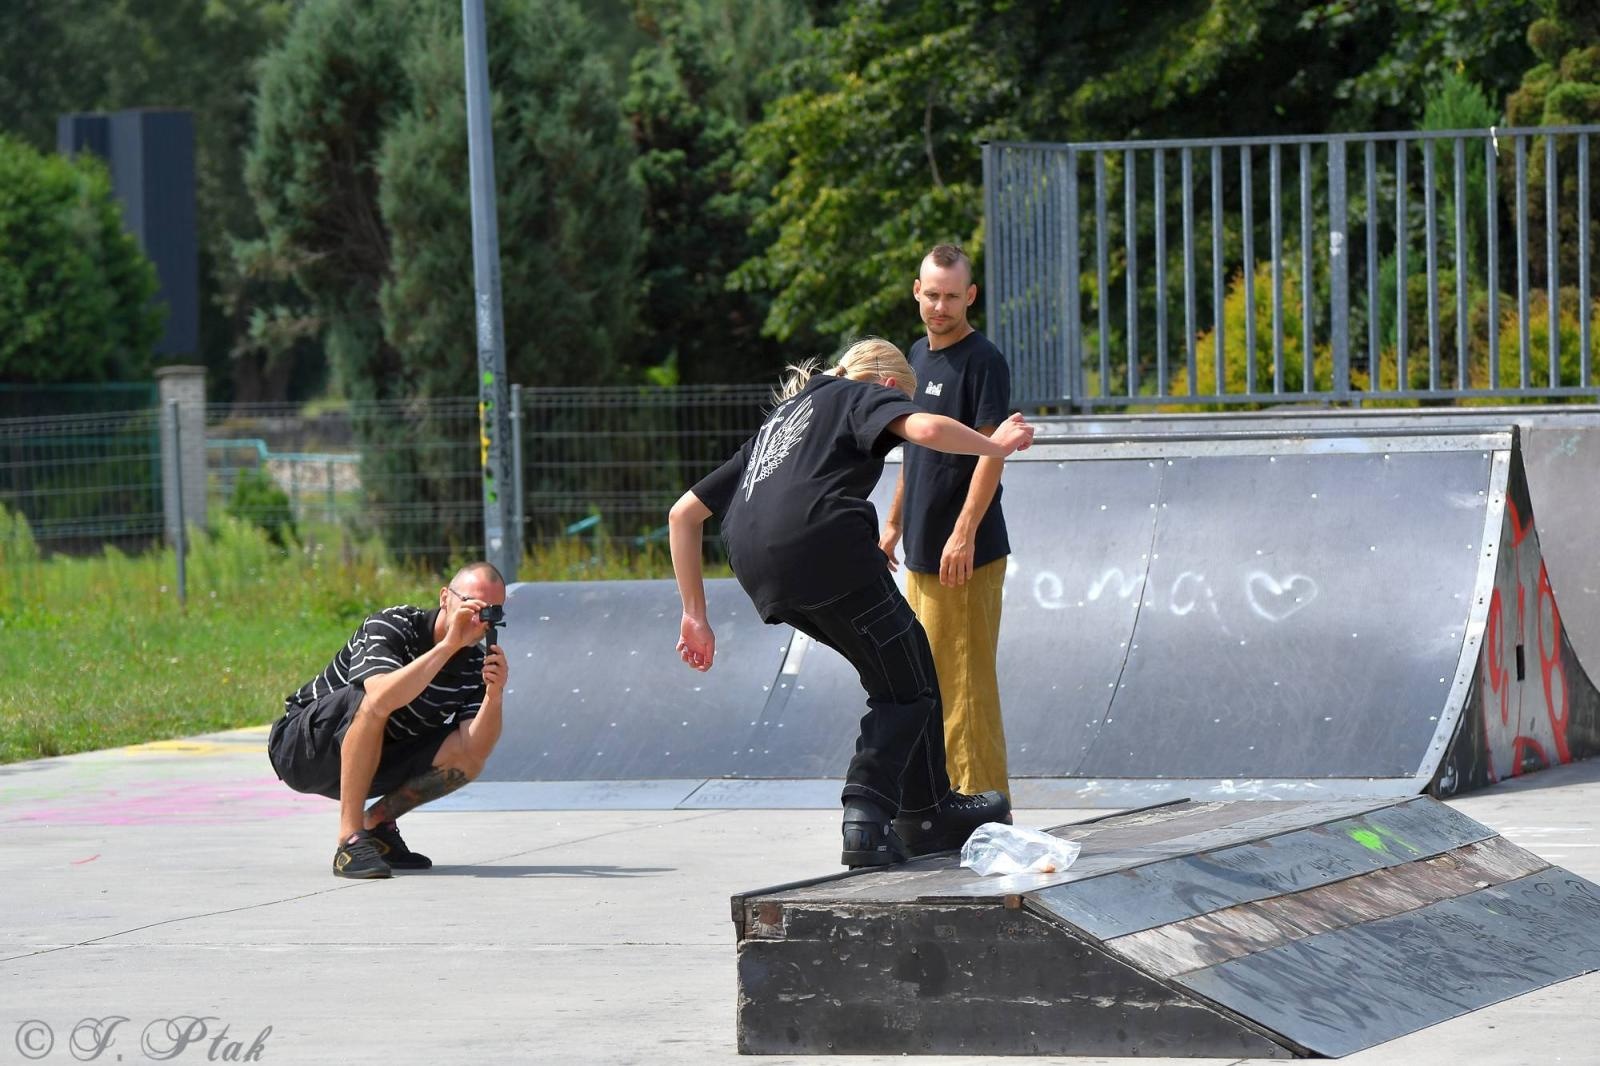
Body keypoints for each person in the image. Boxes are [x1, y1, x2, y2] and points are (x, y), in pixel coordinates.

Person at [668, 338, 1034, 867]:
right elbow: (927, 430)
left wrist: (694, 614)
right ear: (889, 387)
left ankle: (930, 810)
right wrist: (994, 445)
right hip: (828, 549)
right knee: (906, 688)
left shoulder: (783, 422)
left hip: (762, 572)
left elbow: (683, 514)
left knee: (904, 669)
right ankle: (868, 814)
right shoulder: (860, 395)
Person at [267, 561, 509, 879]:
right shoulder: (394, 624)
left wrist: (494, 695)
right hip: (305, 748)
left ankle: (377, 826)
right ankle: (350, 840)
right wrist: (448, 646)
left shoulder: (477, 665)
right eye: (471, 605)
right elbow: (380, 697)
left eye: (491, 613)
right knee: (370, 697)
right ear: (444, 598)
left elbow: (475, 748)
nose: (478, 620)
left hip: (373, 757)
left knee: (468, 757)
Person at [879, 244, 1015, 801]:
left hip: (967, 554)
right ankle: (943, 800)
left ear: (970, 297)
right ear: (916, 291)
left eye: (951, 297)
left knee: (965, 688)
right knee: (931, 682)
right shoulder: (917, 355)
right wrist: (891, 523)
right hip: (921, 552)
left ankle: (982, 809)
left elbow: (991, 451)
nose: (940, 307)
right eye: (931, 295)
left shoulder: (983, 361)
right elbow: (916, 452)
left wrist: (963, 533)